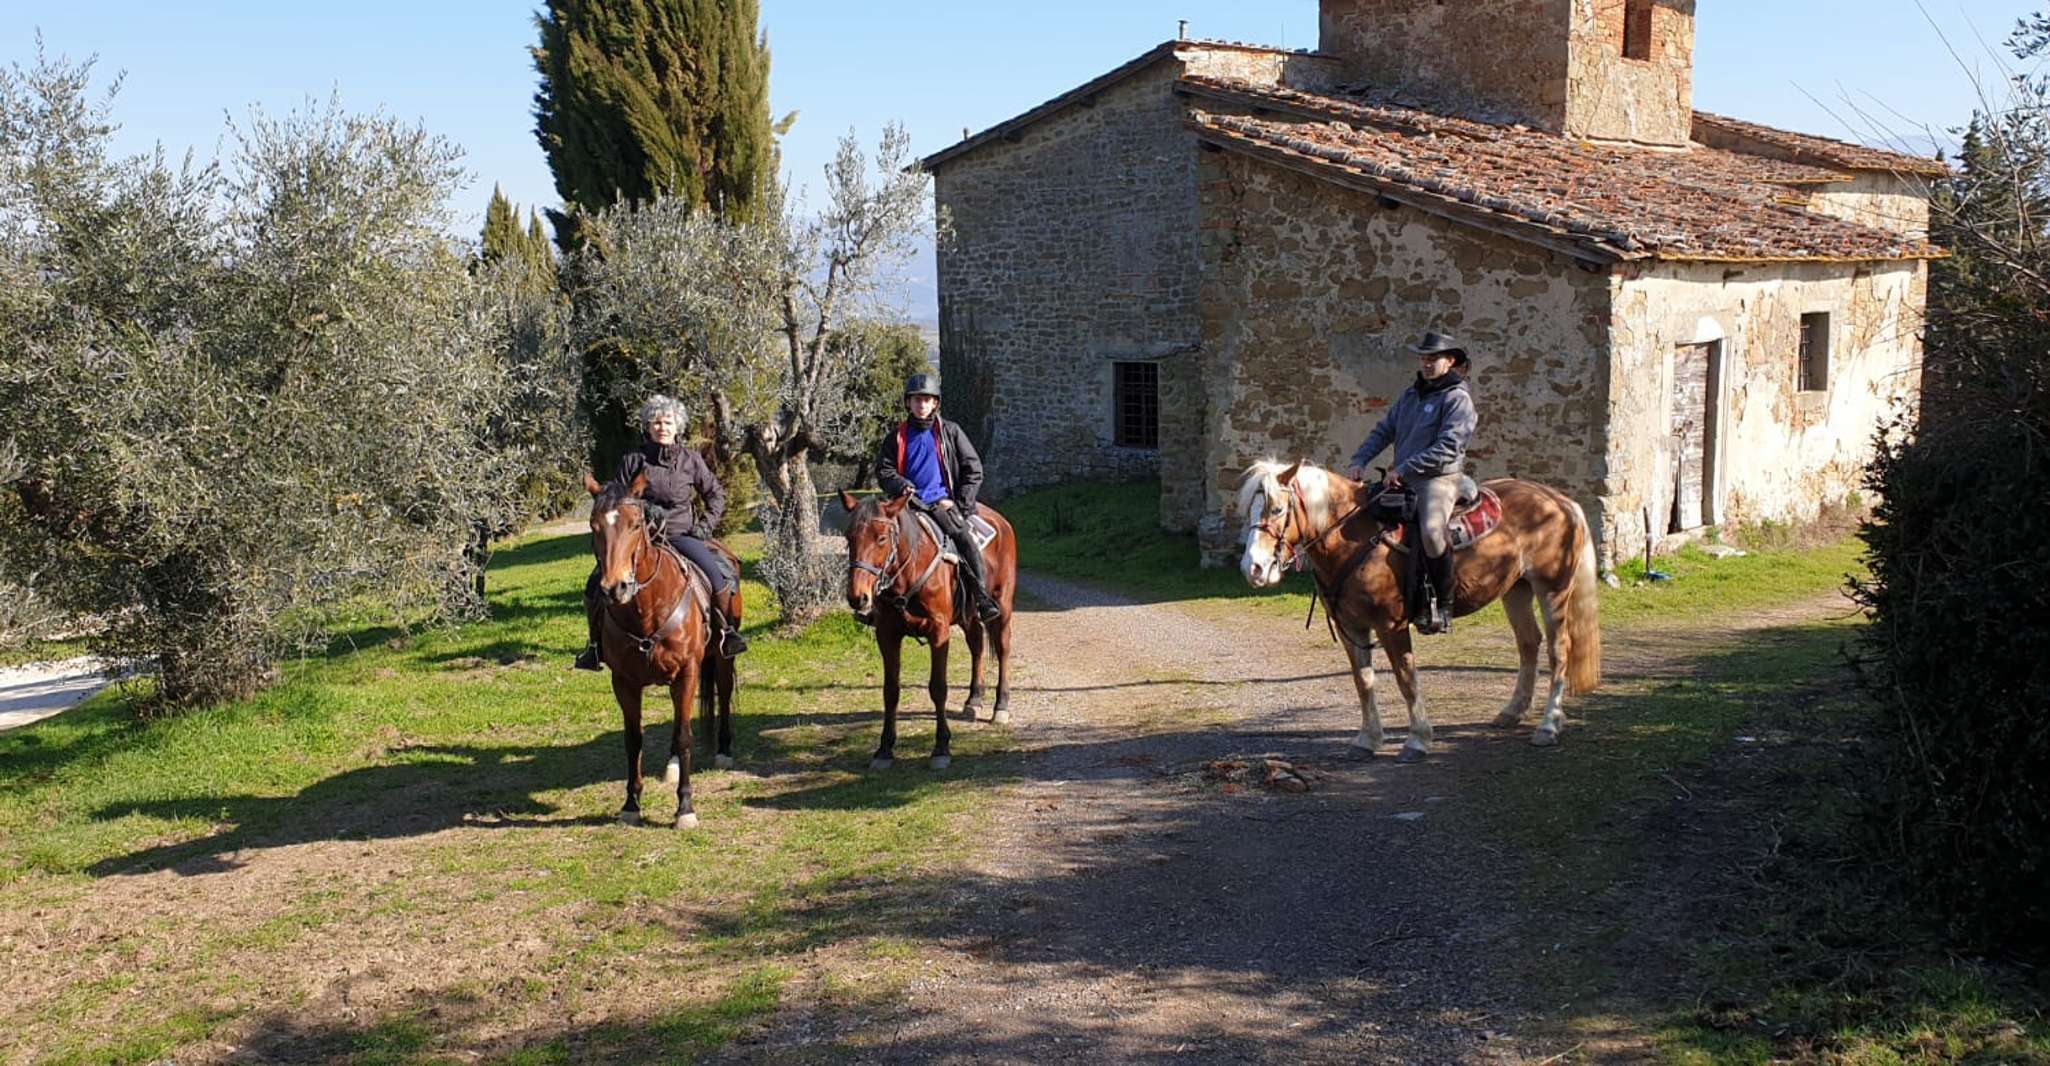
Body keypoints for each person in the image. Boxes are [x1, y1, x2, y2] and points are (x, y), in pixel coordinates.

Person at [574, 394, 746, 670]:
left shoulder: (691, 460)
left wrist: (705, 526)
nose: (662, 427)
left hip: (682, 535)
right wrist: (639, 512)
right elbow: (615, 500)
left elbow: (715, 495)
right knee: (595, 584)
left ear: (678, 427)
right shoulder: (633, 461)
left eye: (667, 422)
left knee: (718, 575)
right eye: (656, 422)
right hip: (639, 539)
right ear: (647, 427)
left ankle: (727, 634)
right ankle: (594, 647)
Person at [1345, 331, 1478, 635]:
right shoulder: (1411, 395)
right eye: (1423, 357)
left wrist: (1404, 468)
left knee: (1432, 533)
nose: (1426, 363)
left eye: (1433, 358)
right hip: (1403, 477)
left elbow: (1448, 446)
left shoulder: (1457, 398)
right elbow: (1384, 430)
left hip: (1439, 479)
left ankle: (1443, 605)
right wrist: (1359, 460)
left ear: (1451, 360)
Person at [873, 373, 1004, 624]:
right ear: (908, 403)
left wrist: (960, 504)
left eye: (927, 399)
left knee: (965, 541)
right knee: (875, 540)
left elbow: (973, 468)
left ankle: (982, 598)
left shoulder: (950, 432)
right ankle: (874, 604)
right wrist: (901, 485)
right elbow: (884, 470)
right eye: (916, 399)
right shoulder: (897, 436)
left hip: (940, 503)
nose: (921, 404)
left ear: (935, 403)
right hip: (906, 505)